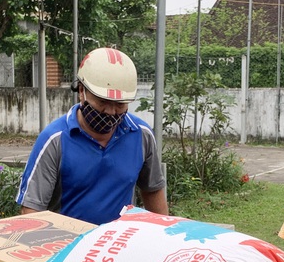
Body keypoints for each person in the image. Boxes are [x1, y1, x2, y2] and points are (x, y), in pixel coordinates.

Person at [15, 47, 169, 225]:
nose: (111, 112)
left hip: (117, 246)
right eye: (103, 101)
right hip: (66, 246)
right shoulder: (55, 140)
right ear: (81, 91)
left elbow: (153, 189)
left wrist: (163, 235)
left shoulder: (141, 135)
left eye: (119, 104)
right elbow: (31, 210)